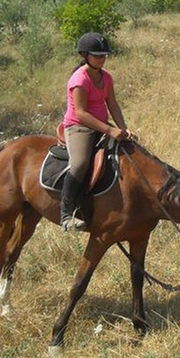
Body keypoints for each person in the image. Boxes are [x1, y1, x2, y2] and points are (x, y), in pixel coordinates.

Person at [59, 32, 133, 232]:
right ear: (85, 55)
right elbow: (81, 114)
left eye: (104, 56)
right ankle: (66, 215)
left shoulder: (106, 77)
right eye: (97, 55)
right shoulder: (79, 79)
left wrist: (123, 128)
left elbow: (113, 104)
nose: (102, 59)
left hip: (101, 125)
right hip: (79, 127)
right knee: (81, 163)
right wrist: (110, 130)